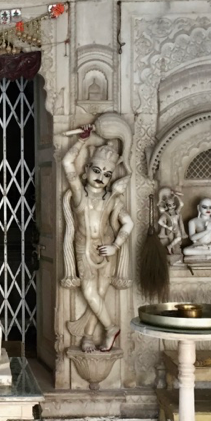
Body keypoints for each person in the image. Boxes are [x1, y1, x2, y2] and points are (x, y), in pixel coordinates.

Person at [62, 125, 133, 353]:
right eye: (97, 171)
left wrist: (115, 246)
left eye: (107, 174)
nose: (101, 177)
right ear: (86, 171)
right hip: (83, 248)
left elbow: (128, 223)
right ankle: (111, 328)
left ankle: (88, 337)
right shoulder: (79, 194)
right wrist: (82, 140)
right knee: (90, 293)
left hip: (106, 247)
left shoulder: (112, 199)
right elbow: (67, 163)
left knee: (100, 294)